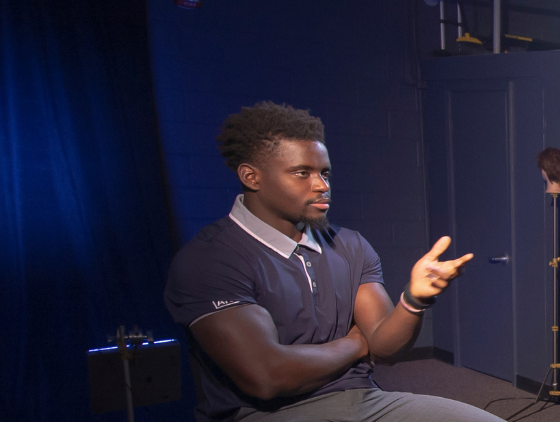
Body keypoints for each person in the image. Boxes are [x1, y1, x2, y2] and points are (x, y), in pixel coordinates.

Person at [165, 102, 501, 422]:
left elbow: (385, 348)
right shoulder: (210, 259)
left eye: (325, 173)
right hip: (262, 414)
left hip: (362, 400)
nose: (322, 185)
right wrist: (356, 343)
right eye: (302, 173)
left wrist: (414, 300)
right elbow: (268, 376)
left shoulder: (350, 244)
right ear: (252, 177)